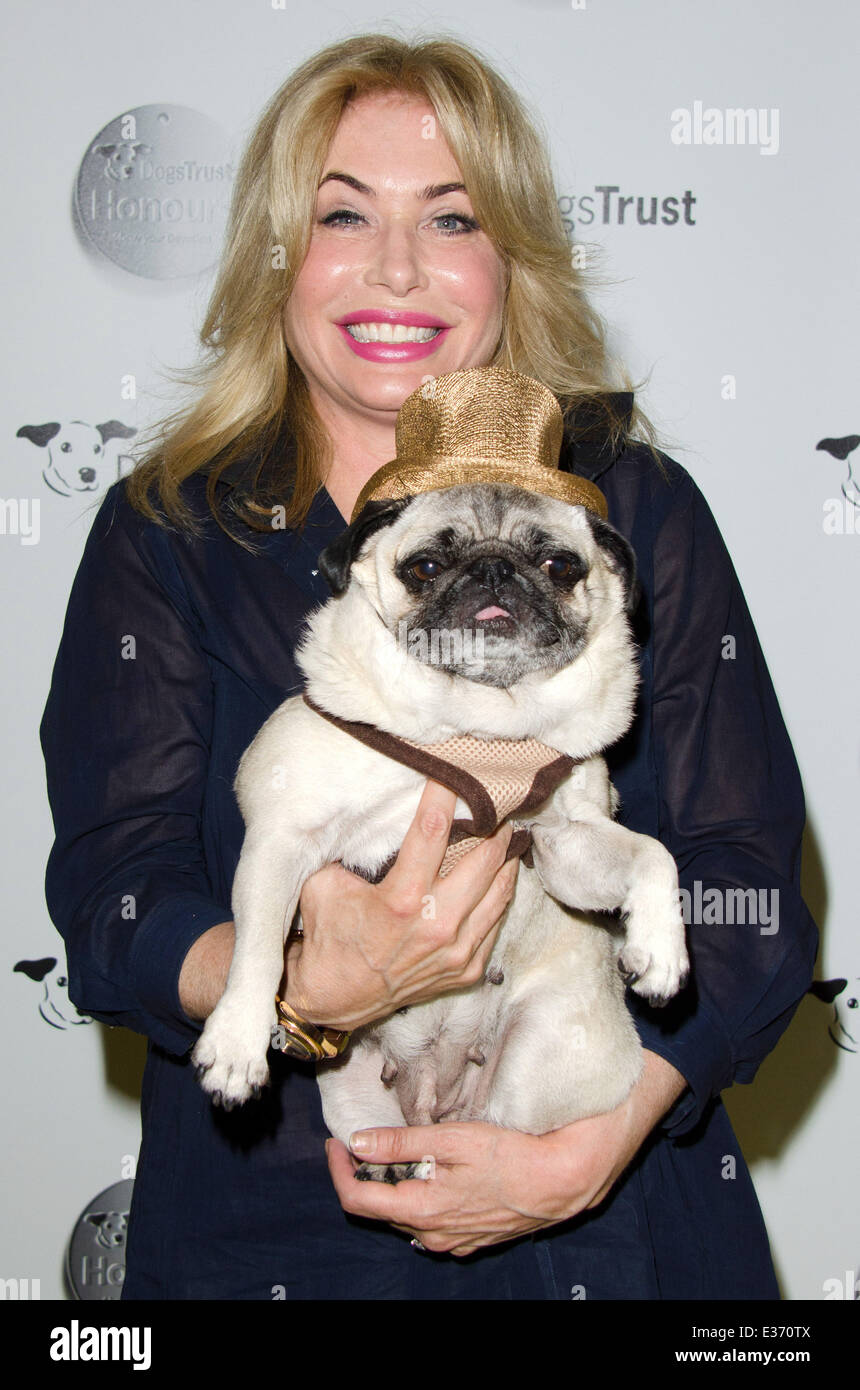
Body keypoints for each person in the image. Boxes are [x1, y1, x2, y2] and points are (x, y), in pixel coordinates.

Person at [40, 33, 818, 1300]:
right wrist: (294, 984)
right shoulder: (171, 527)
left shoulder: (630, 504)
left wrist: (598, 1138)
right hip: (272, 1237)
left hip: (609, 1227)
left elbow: (745, 875)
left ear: (507, 260)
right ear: (275, 255)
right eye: (341, 213)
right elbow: (114, 886)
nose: (394, 265)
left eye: (449, 217)